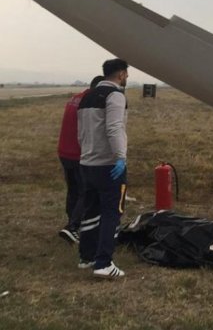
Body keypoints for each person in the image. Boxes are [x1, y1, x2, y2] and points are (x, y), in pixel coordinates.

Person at [76, 59, 130, 278]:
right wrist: (120, 157)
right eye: (126, 73)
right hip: (108, 165)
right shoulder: (115, 95)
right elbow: (115, 127)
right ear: (121, 74)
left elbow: (81, 132)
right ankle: (103, 263)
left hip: (87, 162)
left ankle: (86, 257)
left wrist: (86, 153)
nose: (127, 77)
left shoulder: (86, 97)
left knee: (90, 210)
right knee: (111, 213)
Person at [57, 75, 103, 244]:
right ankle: (73, 227)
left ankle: (71, 223)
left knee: (73, 190)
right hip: (79, 153)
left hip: (64, 151)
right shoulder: (91, 102)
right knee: (86, 191)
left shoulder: (75, 98)